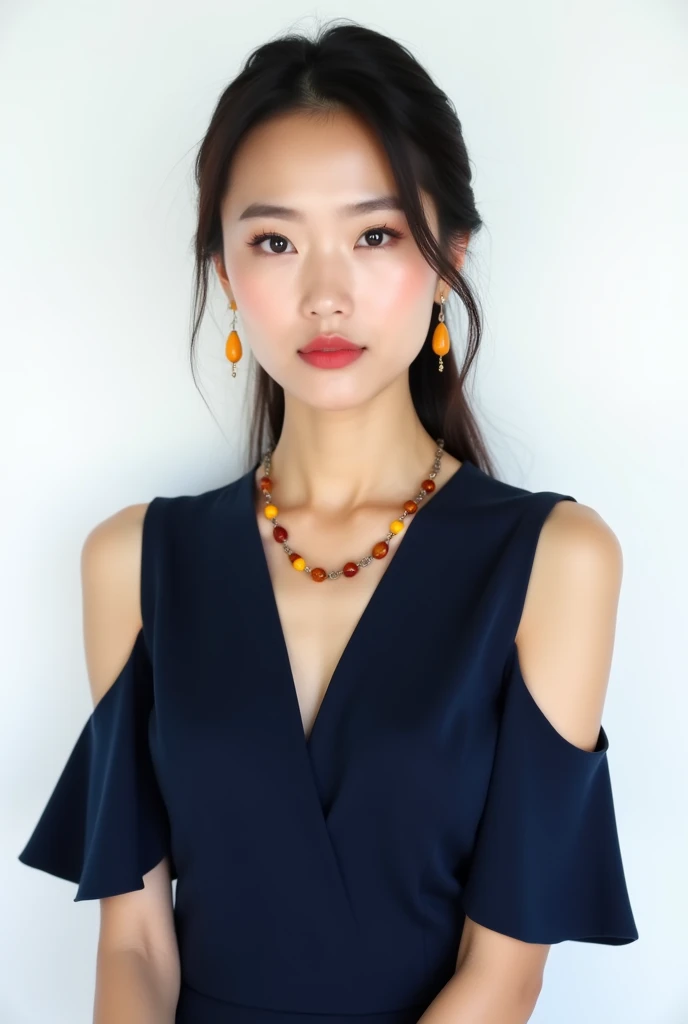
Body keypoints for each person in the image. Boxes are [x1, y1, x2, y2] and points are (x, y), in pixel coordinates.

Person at [18, 18, 638, 1024]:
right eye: (273, 240)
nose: (323, 294)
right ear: (225, 271)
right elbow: (133, 940)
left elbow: (506, 971)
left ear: (447, 258)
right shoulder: (133, 559)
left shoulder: (553, 561)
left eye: (375, 235)